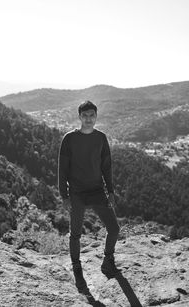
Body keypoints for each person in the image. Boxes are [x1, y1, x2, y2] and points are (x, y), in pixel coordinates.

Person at [58, 100, 120, 292]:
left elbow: (106, 167)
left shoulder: (101, 138)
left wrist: (110, 191)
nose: (88, 119)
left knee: (114, 228)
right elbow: (62, 170)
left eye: (91, 115)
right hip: (76, 193)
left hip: (97, 191)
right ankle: (77, 267)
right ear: (79, 117)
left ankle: (108, 259)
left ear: (96, 116)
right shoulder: (69, 139)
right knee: (75, 233)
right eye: (84, 115)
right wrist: (64, 196)